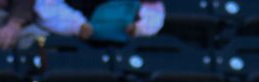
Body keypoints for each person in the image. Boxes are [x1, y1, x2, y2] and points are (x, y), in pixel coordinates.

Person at [34, 0, 165, 41]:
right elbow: (45, 8)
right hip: (69, 40)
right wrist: (76, 25)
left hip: (122, 43)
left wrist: (139, 28)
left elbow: (154, 12)